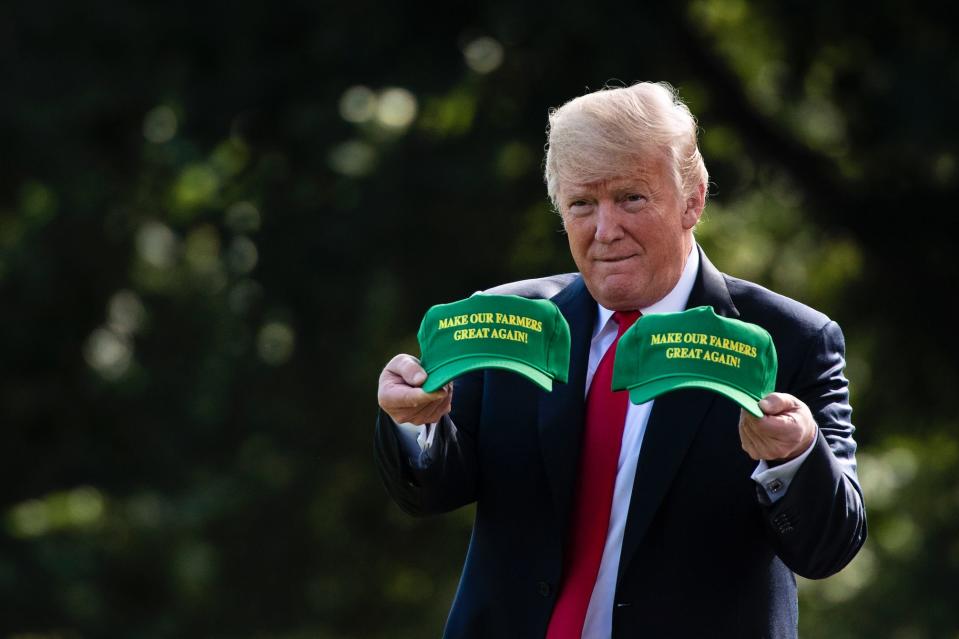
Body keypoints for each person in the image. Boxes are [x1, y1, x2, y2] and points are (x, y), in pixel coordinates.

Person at [374, 82, 866, 639]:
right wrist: (413, 422)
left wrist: (795, 456)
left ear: (693, 200)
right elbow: (433, 489)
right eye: (582, 204)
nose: (605, 231)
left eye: (631, 198)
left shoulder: (791, 339)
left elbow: (829, 548)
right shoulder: (505, 322)